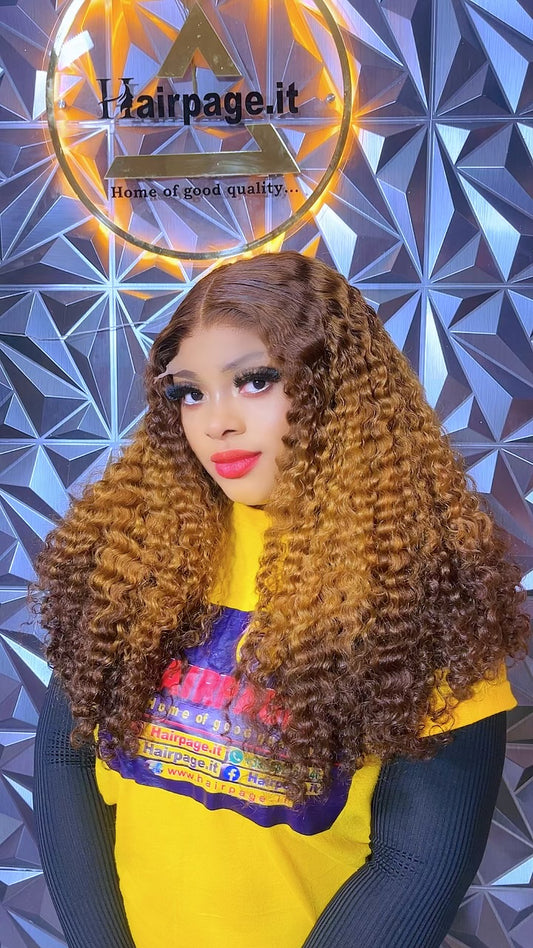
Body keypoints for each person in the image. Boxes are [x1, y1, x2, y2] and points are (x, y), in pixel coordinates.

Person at [34, 251, 529, 948]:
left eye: (255, 380)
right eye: (190, 393)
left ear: (339, 387)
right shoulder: (132, 551)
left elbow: (414, 864)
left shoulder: (422, 587)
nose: (217, 422)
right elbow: (66, 758)